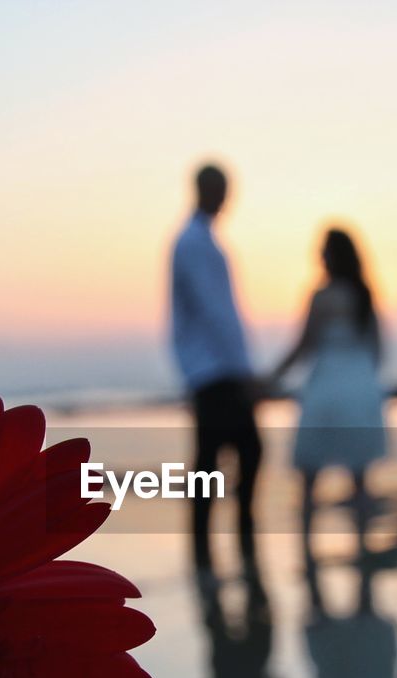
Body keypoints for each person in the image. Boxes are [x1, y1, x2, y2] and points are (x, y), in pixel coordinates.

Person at [270, 227, 386, 559]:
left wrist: (270, 379)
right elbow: (377, 347)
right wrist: (367, 382)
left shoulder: (321, 296)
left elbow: (303, 345)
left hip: (326, 386)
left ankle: (307, 551)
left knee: (310, 475)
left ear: (333, 255)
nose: (318, 256)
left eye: (323, 250)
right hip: (360, 385)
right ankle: (364, 549)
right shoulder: (364, 294)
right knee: (360, 477)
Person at [170, 163, 262, 576]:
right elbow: (214, 312)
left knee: (216, 460)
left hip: (212, 369)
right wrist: (244, 370)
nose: (226, 199)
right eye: (221, 190)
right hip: (215, 370)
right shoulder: (194, 243)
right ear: (205, 190)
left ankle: (212, 549)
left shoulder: (200, 239)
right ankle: (219, 547)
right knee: (233, 456)